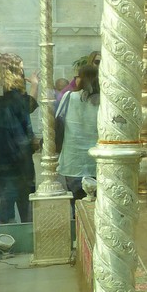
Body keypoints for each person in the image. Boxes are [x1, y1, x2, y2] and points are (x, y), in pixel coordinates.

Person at [0, 54, 36, 223]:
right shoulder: (14, 97)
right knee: (23, 199)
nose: (23, 72)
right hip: (15, 158)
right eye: (21, 69)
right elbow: (28, 108)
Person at [56, 62, 100, 199]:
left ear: (80, 79)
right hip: (96, 159)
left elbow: (58, 120)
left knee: (77, 200)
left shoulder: (69, 97)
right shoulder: (103, 101)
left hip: (73, 159)